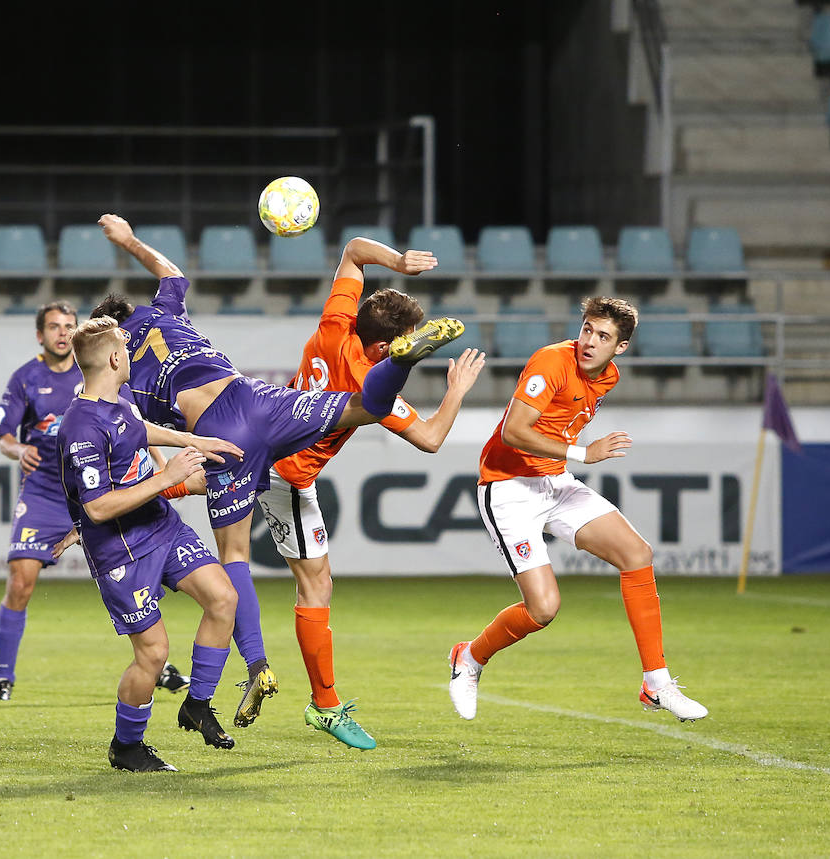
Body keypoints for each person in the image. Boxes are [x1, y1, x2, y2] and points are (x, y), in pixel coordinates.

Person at [94, 213, 463, 728]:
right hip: (268, 417)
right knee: (362, 411)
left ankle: (259, 665)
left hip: (239, 441)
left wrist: (167, 473)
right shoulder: (165, 313)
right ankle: (324, 705)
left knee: (238, 557)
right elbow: (430, 438)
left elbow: (132, 430)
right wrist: (130, 239)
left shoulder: (120, 373)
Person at [258, 237, 486, 748]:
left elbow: (354, 250)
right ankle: (325, 705)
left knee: (199, 480)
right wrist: (456, 392)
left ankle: (124, 503)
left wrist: (400, 264)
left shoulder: (333, 328)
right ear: (388, 350)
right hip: (288, 476)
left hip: (267, 449)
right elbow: (429, 439)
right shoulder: (369, 387)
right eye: (407, 342)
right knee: (315, 588)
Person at [448, 297, 708, 723]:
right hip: (507, 486)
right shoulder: (552, 362)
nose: (590, 341)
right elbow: (514, 431)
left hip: (554, 483)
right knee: (543, 609)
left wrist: (570, 460)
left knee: (637, 554)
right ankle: (469, 658)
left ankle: (656, 683)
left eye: (603, 336)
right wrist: (583, 453)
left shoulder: (609, 377)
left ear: (619, 348)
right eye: (587, 329)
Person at [0, 300, 195, 701]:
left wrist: (161, 469)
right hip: (48, 491)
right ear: (40, 335)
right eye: (53, 326)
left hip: (106, 492)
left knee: (133, 571)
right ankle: (3, 675)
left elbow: (135, 428)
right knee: (21, 580)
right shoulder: (26, 378)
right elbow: (5, 437)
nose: (62, 332)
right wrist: (18, 452)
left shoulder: (101, 373)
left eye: (68, 325)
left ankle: (158, 662)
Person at [59, 316, 242, 772]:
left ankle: (196, 703)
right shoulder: (80, 424)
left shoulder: (118, 403)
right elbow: (97, 508)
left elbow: (139, 430)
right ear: (116, 358)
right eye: (127, 345)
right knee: (154, 654)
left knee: (223, 599)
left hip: (161, 526)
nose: (133, 351)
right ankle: (127, 748)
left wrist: (194, 440)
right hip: (120, 549)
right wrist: (168, 477)